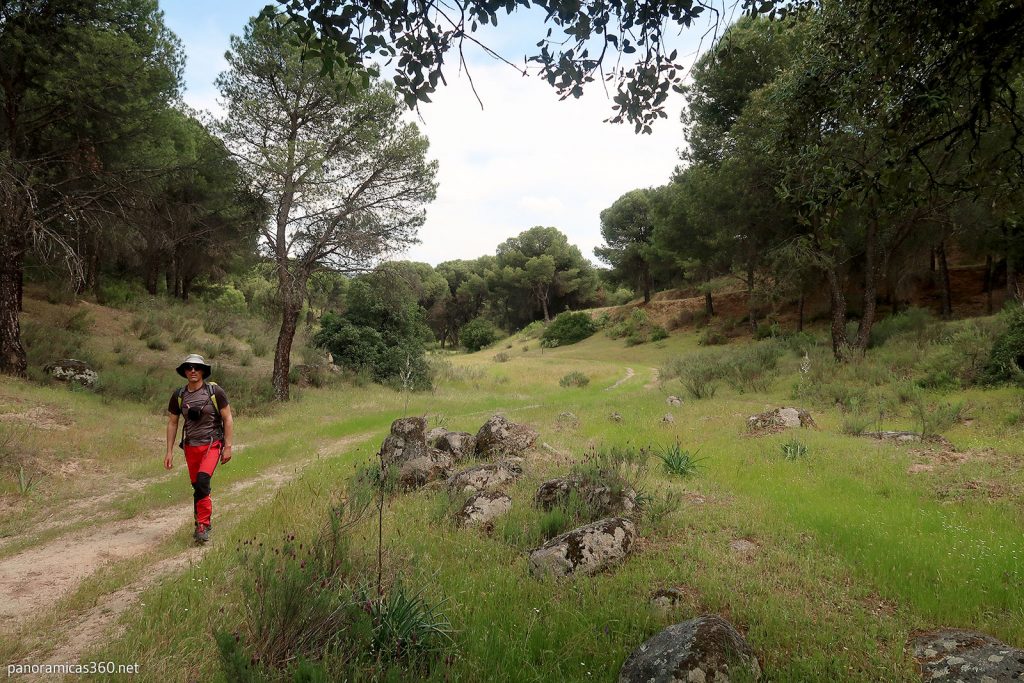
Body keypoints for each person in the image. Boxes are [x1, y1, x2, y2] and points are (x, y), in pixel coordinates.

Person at [164, 353, 233, 543]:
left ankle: (203, 524)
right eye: (189, 367)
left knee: (203, 480)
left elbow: (227, 418)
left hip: (212, 444)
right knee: (198, 487)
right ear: (185, 371)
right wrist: (169, 451)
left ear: (203, 371)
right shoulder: (179, 395)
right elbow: (172, 423)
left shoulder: (215, 392)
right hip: (190, 447)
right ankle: (201, 523)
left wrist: (228, 446)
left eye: (196, 367)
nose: (193, 371)